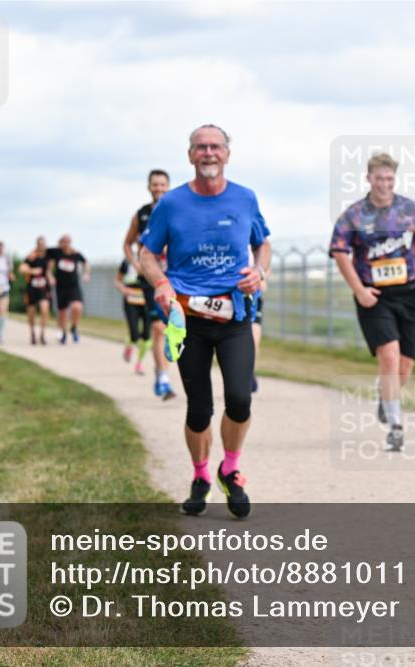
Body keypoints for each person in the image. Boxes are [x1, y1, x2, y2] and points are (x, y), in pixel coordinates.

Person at [140, 124, 271, 519]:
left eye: (216, 146)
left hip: (234, 316)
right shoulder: (171, 203)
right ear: (190, 155)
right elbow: (147, 254)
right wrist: (161, 282)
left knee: (240, 399)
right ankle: (200, 477)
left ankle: (229, 470)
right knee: (199, 409)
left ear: (227, 154)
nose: (208, 153)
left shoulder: (245, 198)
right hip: (188, 319)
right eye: (201, 147)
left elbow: (262, 243)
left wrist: (259, 272)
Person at [329, 152, 415, 452]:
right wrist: (358, 289)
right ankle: (396, 426)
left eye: (389, 178)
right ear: (369, 179)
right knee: (389, 356)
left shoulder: (412, 210)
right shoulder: (354, 215)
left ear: (395, 179)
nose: (384, 184)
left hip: (408, 293)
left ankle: (385, 395)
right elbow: (339, 251)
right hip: (374, 296)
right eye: (379, 178)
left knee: (404, 367)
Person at [124, 169, 176, 399]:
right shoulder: (141, 214)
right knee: (158, 328)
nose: (159, 188)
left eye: (163, 184)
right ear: (149, 187)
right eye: (155, 184)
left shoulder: (177, 210)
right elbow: (127, 244)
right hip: (150, 279)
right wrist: (137, 264)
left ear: (168, 187)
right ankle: (163, 377)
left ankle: (163, 368)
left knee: (176, 329)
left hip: (176, 277)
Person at [47, 235, 90, 344]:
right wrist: (50, 276)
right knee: (62, 312)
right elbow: (49, 267)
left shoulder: (75, 254)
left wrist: (86, 274)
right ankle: (63, 333)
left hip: (73, 286)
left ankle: (74, 327)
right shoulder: (56, 253)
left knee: (77, 307)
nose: (66, 244)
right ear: (60, 243)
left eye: (68, 242)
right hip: (61, 287)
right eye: (63, 242)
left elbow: (86, 262)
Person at [115, 258, 151, 374]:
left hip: (147, 301)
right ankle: (129, 345)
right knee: (134, 334)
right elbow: (117, 281)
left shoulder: (153, 259)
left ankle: (139, 363)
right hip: (131, 301)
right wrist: (124, 289)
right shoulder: (127, 262)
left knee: (146, 336)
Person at [20, 237, 53, 345]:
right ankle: (33, 333)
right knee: (31, 312)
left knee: (44, 310)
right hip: (32, 288)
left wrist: (50, 277)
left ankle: (42, 334)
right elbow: (22, 269)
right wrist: (32, 271)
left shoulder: (49, 256)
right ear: (37, 245)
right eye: (40, 244)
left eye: (43, 244)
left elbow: (49, 270)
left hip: (44, 288)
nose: (42, 246)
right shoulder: (32, 256)